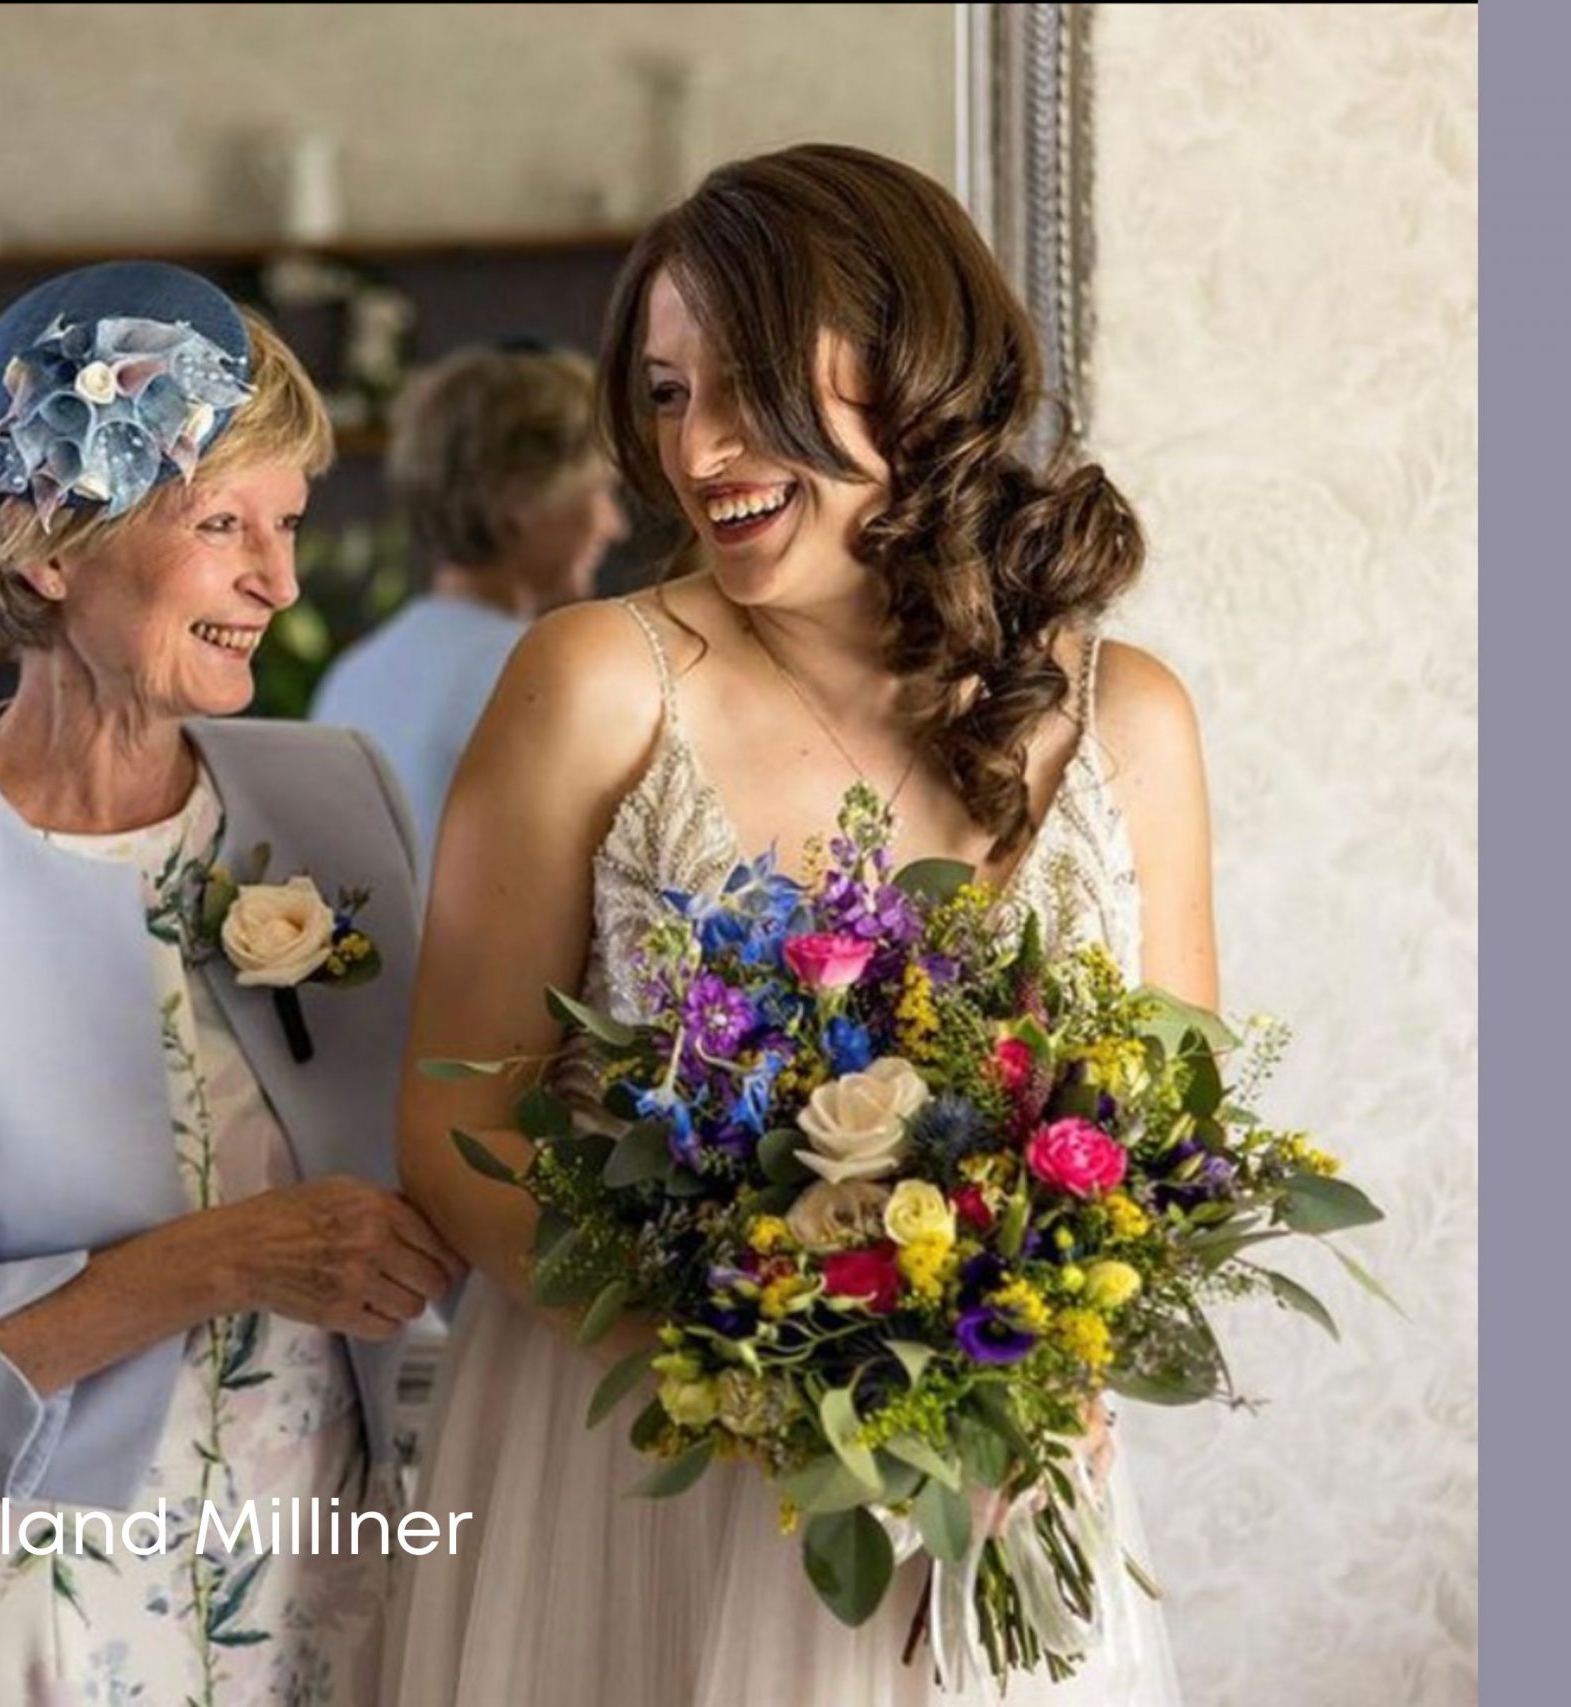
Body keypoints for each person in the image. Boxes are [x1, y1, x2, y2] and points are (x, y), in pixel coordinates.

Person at [387, 146, 1210, 1704]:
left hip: (993, 1492)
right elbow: (458, 1123)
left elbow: (1162, 1159)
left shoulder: (1133, 721)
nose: (699, 447)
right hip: (641, 1490)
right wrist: (759, 1380)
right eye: (666, 391)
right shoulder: (597, 681)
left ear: (915, 356)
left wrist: (1015, 1387)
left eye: (748, 379)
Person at [0, 260, 458, 1707]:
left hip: (332, 1569)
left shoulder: (335, 795)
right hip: (38, 1600)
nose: (281, 578)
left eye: (287, 523)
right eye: (221, 524)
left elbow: (454, 1131)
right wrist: (223, 1257)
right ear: (51, 551)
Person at [310, 343, 626, 879]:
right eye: (597, 492)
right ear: (520, 499)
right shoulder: (542, 674)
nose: (614, 524)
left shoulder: (353, 674)